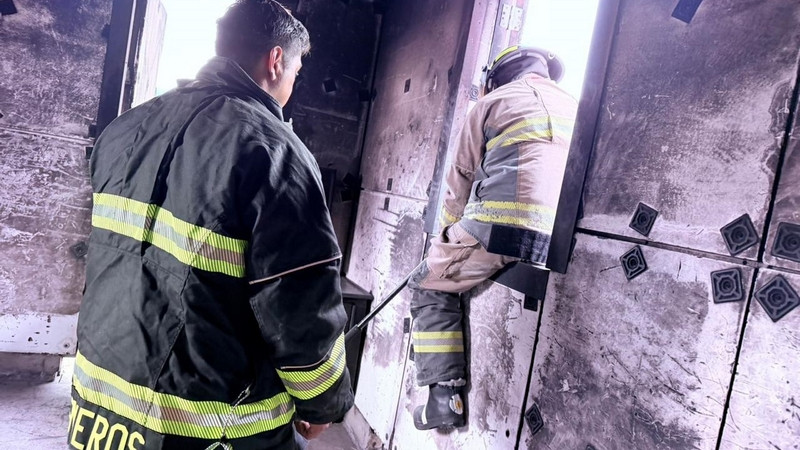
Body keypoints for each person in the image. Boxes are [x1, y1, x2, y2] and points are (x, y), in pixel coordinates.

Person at [68, 1, 353, 449]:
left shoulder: (125, 129)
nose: (293, 84)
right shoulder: (276, 153)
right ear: (276, 60)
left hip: (97, 410)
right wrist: (323, 405)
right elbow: (300, 304)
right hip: (202, 427)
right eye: (296, 71)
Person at [408, 46, 578, 430]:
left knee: (428, 284)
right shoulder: (574, 105)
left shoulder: (492, 102)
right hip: (553, 236)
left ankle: (442, 399)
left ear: (494, 79)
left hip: (497, 230)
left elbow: (458, 183)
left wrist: (445, 239)